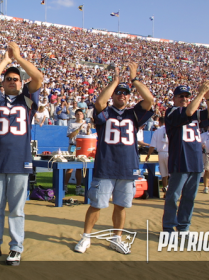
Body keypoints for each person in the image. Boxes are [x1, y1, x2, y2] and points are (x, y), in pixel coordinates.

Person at [75, 62, 154, 254]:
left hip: (127, 167)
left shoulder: (133, 114)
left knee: (121, 205)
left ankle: (116, 237)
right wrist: (116, 81)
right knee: (96, 205)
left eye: (125, 93)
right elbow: (99, 104)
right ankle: (86, 237)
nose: (122, 95)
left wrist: (134, 79)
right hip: (106, 166)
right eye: (119, 92)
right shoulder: (106, 112)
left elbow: (149, 100)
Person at [0, 42, 43, 266]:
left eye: (16, 78)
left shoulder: (27, 99)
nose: (12, 81)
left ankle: (16, 247)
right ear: (3, 83)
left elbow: (38, 78)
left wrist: (19, 57)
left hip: (19, 161)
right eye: (8, 78)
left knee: (16, 209)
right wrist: (6, 60)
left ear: (21, 82)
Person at [162, 82, 209, 235]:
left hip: (196, 160)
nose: (184, 99)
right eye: (181, 96)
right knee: (173, 196)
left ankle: (183, 225)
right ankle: (168, 226)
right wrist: (200, 93)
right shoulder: (171, 111)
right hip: (180, 160)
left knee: (189, 197)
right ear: (174, 98)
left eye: (187, 96)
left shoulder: (193, 112)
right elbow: (189, 111)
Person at [64, 109, 92, 195]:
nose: (79, 115)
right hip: (73, 146)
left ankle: (78, 187)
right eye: (78, 114)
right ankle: (64, 186)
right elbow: (70, 136)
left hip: (82, 148)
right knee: (70, 167)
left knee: (80, 168)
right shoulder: (71, 124)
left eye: (81, 114)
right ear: (75, 115)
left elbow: (88, 137)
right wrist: (79, 129)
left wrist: (88, 130)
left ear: (83, 115)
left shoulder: (86, 124)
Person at [145, 117, 169, 196]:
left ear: (160, 122)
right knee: (172, 173)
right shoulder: (171, 129)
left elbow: (152, 146)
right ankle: (170, 192)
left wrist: (148, 155)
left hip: (161, 153)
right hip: (170, 152)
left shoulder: (157, 131)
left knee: (164, 174)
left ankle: (166, 192)